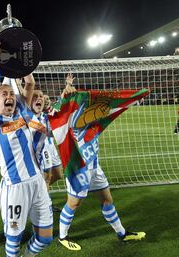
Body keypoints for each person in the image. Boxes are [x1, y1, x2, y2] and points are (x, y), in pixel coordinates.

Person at [0, 39, 57, 257]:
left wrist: (22, 62)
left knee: (46, 237)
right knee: (13, 243)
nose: (10, 96)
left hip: (38, 182)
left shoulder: (22, 113)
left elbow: (29, 84)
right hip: (15, 188)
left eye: (11, 94)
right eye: (4, 94)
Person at [57, 74, 146, 251]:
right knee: (74, 203)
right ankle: (62, 236)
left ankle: (122, 233)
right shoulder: (74, 121)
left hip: (95, 167)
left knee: (107, 200)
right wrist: (67, 89)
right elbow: (64, 106)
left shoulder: (94, 122)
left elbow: (105, 108)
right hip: (79, 169)